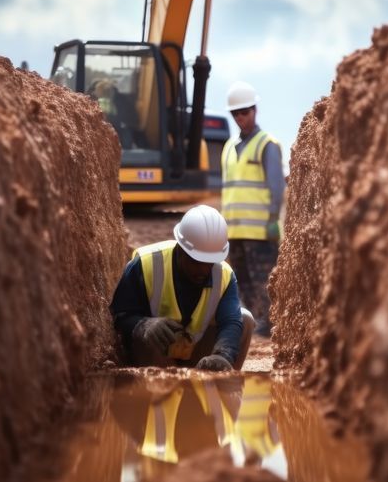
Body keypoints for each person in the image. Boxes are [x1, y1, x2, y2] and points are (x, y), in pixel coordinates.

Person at [110, 205, 255, 370]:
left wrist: (223, 355)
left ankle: (223, 389)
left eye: (209, 263)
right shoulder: (145, 264)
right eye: (196, 262)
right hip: (155, 355)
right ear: (180, 249)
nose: (203, 270)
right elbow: (120, 314)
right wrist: (143, 325)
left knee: (245, 319)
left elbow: (231, 321)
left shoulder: (224, 275)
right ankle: (154, 391)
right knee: (146, 338)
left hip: (197, 352)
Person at [220, 81, 285, 338]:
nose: (240, 118)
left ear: (254, 110)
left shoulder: (267, 144)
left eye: (244, 112)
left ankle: (268, 325)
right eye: (235, 113)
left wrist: (272, 219)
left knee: (264, 282)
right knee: (241, 282)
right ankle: (249, 323)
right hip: (235, 230)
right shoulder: (228, 148)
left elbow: (276, 187)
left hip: (259, 231)